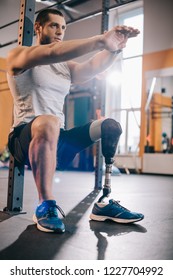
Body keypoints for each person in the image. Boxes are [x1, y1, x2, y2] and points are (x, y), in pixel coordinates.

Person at [6, 8, 144, 233]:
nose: (60, 31)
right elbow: (51, 52)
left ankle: (104, 200)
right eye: (54, 25)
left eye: (63, 27)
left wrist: (115, 48)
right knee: (49, 121)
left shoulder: (64, 67)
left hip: (57, 139)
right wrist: (100, 40)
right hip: (24, 138)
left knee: (110, 125)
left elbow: (91, 67)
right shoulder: (19, 55)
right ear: (39, 27)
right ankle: (45, 205)